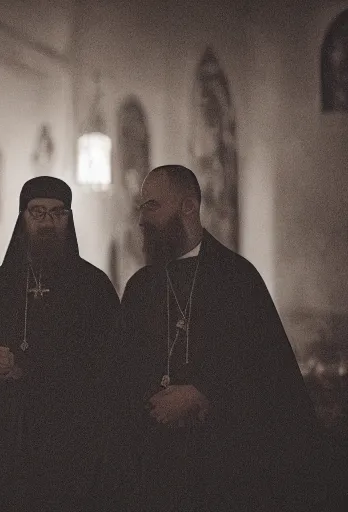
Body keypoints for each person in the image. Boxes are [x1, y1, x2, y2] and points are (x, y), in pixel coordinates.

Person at [101, 165, 328, 511]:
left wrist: (203, 394)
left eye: (152, 206)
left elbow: (271, 378)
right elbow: (118, 375)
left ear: (188, 207)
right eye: (141, 207)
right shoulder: (141, 287)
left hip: (224, 473)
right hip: (155, 471)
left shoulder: (239, 280)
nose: (141, 218)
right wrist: (152, 402)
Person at [0, 176, 119, 512]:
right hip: (3, 447)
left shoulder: (94, 287)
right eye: (38, 212)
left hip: (71, 449)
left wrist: (27, 370)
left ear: (69, 218)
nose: (48, 221)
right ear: (22, 218)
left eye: (58, 213)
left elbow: (111, 366)